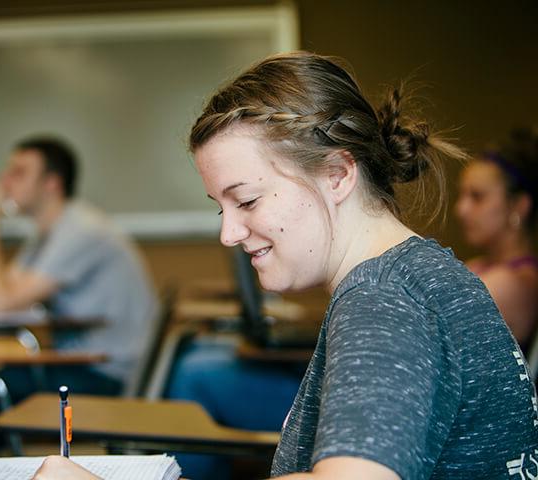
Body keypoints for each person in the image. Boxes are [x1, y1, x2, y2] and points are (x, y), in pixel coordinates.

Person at [33, 52, 538, 479]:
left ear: (338, 174)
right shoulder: (423, 274)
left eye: (247, 201)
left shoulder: (383, 300)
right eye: (220, 208)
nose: (228, 233)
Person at [0, 136, 159, 395]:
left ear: (52, 183)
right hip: (81, 364)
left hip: (108, 373)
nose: (5, 181)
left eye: (19, 173)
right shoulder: (45, 234)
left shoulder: (79, 230)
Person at [455, 127, 538, 354]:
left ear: (519, 206)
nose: (461, 209)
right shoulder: (480, 266)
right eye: (461, 195)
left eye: (477, 197)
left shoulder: (515, 282)